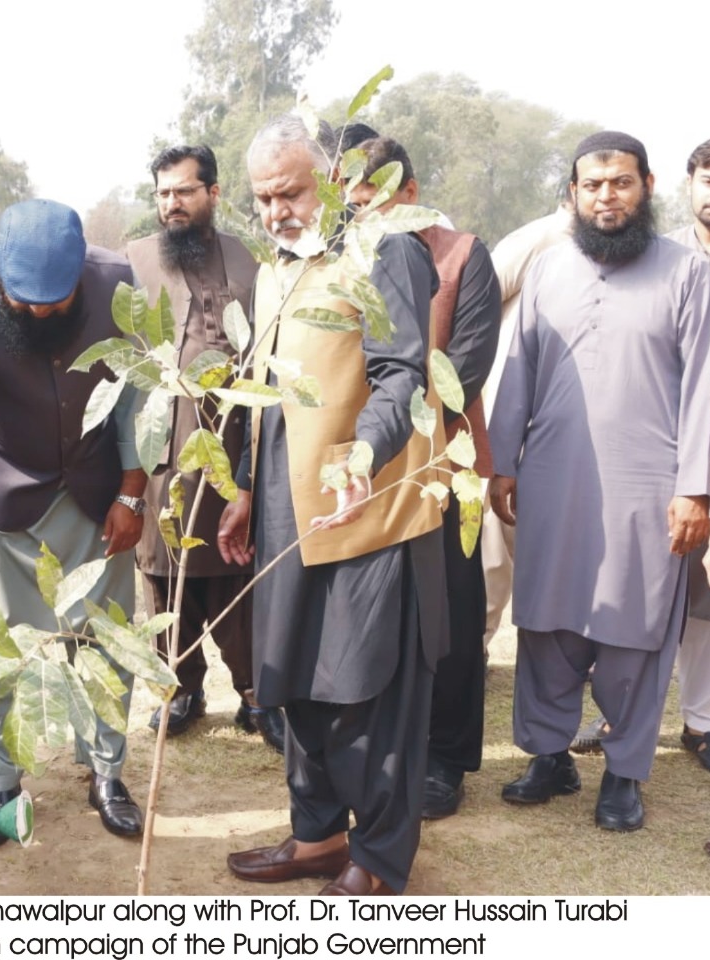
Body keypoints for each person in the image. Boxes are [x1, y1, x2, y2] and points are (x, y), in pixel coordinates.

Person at [220, 115, 448, 897]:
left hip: (367, 508)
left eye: (288, 191)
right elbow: (265, 392)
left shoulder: (385, 249)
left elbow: (401, 375)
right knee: (291, 683)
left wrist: (362, 458)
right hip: (289, 510)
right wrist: (246, 487)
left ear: (329, 178)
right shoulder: (274, 268)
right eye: (263, 199)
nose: (277, 210)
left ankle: (379, 859)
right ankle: (316, 836)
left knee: (367, 693)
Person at [488, 131, 710, 833]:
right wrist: (501, 464)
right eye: (593, 185)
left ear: (645, 185)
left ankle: (624, 771)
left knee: (634, 628)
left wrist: (696, 489)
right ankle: (549, 754)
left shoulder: (686, 272)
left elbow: (707, 386)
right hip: (552, 479)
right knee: (548, 621)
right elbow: (518, 369)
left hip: (650, 487)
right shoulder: (548, 270)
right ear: (573, 194)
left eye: (620, 182)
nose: (606, 196)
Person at [0, 199, 144, 841]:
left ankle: (106, 773)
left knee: (107, 644)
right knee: (0, 650)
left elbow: (135, 393)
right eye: (25, 298)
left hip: (98, 497)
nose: (39, 312)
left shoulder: (118, 285)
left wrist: (133, 493)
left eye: (55, 301)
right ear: (0, 275)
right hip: (8, 502)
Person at [348, 137, 502, 820]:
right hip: (358, 472)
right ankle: (376, 749)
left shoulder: (462, 255)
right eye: (351, 194)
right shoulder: (334, 259)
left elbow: (463, 366)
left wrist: (391, 425)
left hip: (442, 469)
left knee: (452, 616)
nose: (363, 206)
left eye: (377, 192)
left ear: (409, 192)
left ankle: (446, 759)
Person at [126, 145, 275, 749]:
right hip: (165, 453)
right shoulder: (132, 261)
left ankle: (255, 693)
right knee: (166, 575)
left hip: (237, 449)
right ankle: (179, 688)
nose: (172, 204)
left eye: (184, 191)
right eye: (163, 193)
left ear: (213, 194)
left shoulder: (251, 262)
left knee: (239, 575)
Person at [480, 186, 573, 648]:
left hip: (563, 426)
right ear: (572, 193)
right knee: (495, 547)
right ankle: (475, 647)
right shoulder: (547, 235)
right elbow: (481, 295)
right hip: (507, 408)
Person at [666, 137, 710, 778]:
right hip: (658, 442)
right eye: (709, 176)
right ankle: (623, 713)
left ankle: (703, 720)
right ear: (688, 183)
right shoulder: (661, 256)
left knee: (709, 596)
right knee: (645, 587)